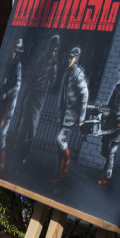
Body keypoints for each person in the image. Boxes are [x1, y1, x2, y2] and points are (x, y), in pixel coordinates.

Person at [17, 34, 59, 165]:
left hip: (39, 95)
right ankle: (19, 149)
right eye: (53, 47)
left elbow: (52, 82)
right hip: (32, 91)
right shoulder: (42, 59)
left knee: (32, 123)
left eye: (55, 48)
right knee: (25, 119)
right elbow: (34, 74)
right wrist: (27, 91)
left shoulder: (53, 64)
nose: (53, 50)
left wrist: (43, 85)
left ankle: (25, 153)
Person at [53, 45, 88, 179]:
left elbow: (85, 95)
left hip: (72, 114)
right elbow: (62, 94)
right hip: (63, 113)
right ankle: (60, 171)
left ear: (76, 58)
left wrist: (82, 118)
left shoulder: (78, 74)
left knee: (60, 139)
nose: (69, 60)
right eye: (68, 57)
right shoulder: (67, 73)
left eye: (71, 58)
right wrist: (59, 111)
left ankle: (67, 161)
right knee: (59, 144)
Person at [0, 39, 24, 171]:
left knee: (2, 134)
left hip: (9, 104)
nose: (11, 53)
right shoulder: (13, 64)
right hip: (5, 103)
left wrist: (7, 93)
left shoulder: (18, 66)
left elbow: (17, 85)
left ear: (17, 53)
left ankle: (2, 163)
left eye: (13, 52)